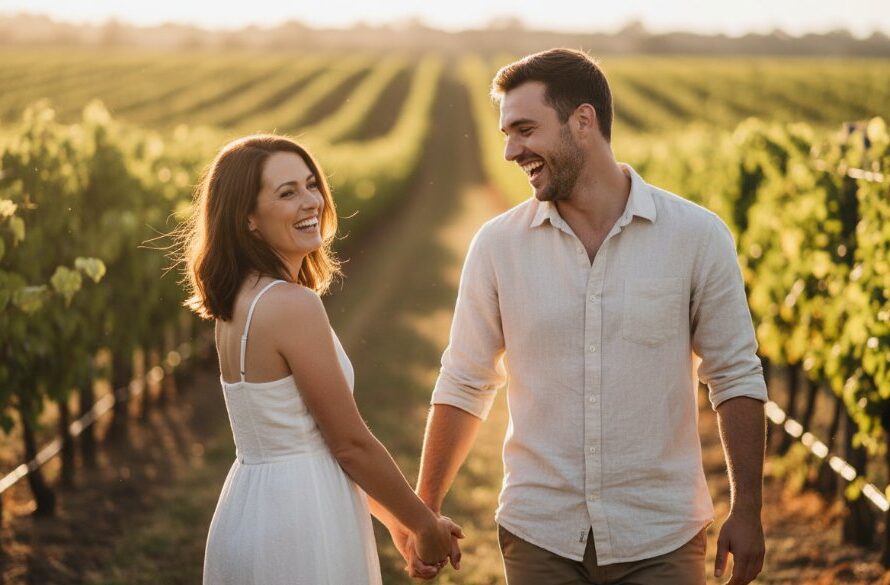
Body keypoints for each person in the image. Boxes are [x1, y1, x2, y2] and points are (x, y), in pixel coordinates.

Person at [394, 49, 768, 584]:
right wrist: (424, 510)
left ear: (583, 122)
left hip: (661, 534)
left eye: (524, 129)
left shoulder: (696, 236)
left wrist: (748, 508)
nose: (509, 150)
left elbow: (735, 375)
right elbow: (464, 381)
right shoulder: (498, 246)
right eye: (505, 133)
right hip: (539, 533)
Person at [181, 134, 462, 584]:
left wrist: (395, 521)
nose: (311, 201)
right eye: (287, 193)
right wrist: (425, 525)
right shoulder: (291, 304)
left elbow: (317, 441)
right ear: (248, 219)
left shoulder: (239, 300)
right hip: (300, 518)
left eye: (311, 184)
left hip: (252, 506)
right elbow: (350, 443)